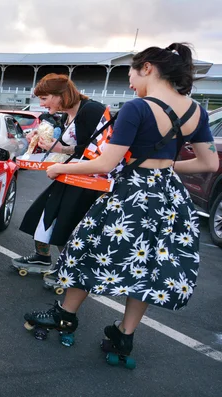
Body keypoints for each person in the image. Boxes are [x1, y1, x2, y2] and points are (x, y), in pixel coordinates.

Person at [23, 43, 218, 357]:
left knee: (89, 250)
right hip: (169, 197)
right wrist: (165, 167)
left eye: (131, 71)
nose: (129, 80)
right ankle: (125, 335)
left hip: (131, 195)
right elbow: (209, 164)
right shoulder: (196, 110)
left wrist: (60, 167)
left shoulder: (137, 107)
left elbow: (105, 163)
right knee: (146, 264)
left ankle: (65, 315)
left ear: (148, 68)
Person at [13, 74, 107, 275]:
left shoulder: (91, 110)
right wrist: (53, 147)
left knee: (66, 224)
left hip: (87, 179)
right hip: (70, 173)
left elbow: (95, 150)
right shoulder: (68, 114)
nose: (42, 103)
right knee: (43, 214)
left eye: (45, 98)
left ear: (60, 95)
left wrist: (60, 150)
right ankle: (45, 258)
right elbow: (76, 147)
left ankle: (68, 271)